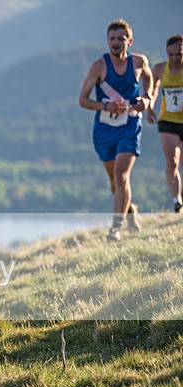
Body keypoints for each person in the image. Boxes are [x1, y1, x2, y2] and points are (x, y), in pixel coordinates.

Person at [78, 19, 153, 242]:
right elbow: (82, 100)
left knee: (122, 176)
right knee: (114, 181)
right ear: (107, 41)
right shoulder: (98, 67)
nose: (116, 43)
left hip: (129, 125)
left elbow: (149, 78)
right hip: (104, 129)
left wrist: (147, 99)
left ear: (129, 41)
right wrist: (105, 105)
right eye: (112, 39)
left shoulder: (139, 62)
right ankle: (129, 211)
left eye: (121, 39)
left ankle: (115, 228)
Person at [147, 34, 183, 213]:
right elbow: (152, 88)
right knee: (171, 161)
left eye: (179, 55)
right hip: (168, 120)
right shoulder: (160, 69)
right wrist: (150, 108)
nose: (175, 59)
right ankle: (177, 200)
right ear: (166, 53)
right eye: (171, 55)